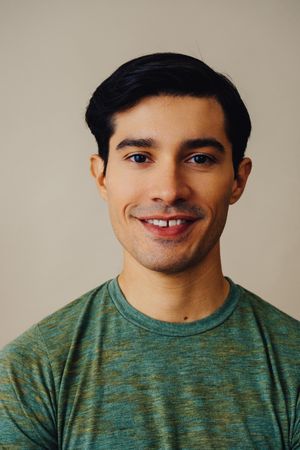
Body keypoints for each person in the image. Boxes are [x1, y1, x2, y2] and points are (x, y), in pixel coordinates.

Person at [0, 52, 299, 449]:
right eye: (139, 157)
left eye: (199, 159)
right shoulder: (30, 372)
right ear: (102, 176)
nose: (169, 189)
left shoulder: (293, 366)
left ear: (237, 180)